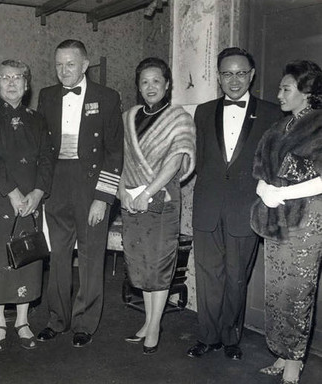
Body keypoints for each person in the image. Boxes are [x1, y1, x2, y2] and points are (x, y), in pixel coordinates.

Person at [187, 47, 282, 360]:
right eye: (227, 73)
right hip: (207, 205)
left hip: (246, 207)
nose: (235, 79)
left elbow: (275, 162)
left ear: (252, 75)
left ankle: (231, 339)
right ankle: (207, 336)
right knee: (207, 276)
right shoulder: (202, 111)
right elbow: (197, 159)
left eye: (241, 73)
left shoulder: (271, 113)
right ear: (218, 77)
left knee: (236, 276)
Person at [36, 39, 123, 347]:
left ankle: (85, 322)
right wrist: (40, 190)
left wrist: (103, 197)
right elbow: (42, 150)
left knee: (90, 257)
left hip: (91, 185)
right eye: (59, 64)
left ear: (85, 65)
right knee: (58, 256)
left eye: (70, 64)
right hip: (57, 184)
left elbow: (114, 153)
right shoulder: (46, 96)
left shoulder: (108, 97)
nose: (64, 71)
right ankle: (57, 319)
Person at [118, 57, 196, 355]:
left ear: (167, 84)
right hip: (132, 200)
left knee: (160, 265)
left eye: (156, 81)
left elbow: (176, 160)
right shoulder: (129, 117)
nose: (150, 87)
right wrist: (123, 191)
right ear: (138, 86)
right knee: (141, 264)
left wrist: (146, 193)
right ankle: (150, 321)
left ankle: (154, 325)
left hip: (161, 198)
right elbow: (122, 159)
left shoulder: (179, 118)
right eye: (144, 81)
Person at [251, 60, 322, 384]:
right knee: (277, 291)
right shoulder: (277, 129)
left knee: (297, 292)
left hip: (307, 222)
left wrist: (286, 192)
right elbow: (260, 171)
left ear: (306, 92)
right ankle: (282, 352)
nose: (278, 94)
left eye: (286, 88)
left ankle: (294, 363)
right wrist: (263, 190)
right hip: (276, 219)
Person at [0, 59, 53, 351]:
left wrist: (37, 193)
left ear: (27, 84)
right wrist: (13, 193)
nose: (11, 83)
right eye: (5, 78)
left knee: (28, 258)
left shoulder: (38, 119)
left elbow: (47, 159)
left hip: (31, 201)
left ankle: (22, 320)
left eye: (17, 77)